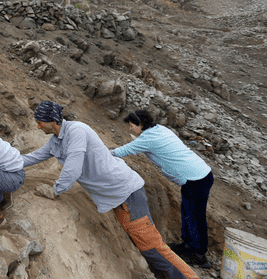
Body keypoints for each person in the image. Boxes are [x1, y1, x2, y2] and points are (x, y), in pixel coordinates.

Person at [24, 101, 198, 279]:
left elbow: (73, 168)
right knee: (148, 248)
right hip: (119, 196)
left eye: (40, 122)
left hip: (127, 194)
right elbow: (34, 157)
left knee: (153, 248)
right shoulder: (56, 141)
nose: (37, 126)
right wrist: (6, 162)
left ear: (53, 121)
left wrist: (55, 190)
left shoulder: (76, 131)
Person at [112, 110, 214, 268]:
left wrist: (104, 154)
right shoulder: (160, 129)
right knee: (188, 212)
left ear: (141, 125)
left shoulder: (149, 138)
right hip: (198, 175)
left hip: (196, 179)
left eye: (132, 126)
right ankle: (187, 246)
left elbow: (124, 151)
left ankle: (199, 255)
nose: (130, 129)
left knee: (195, 216)